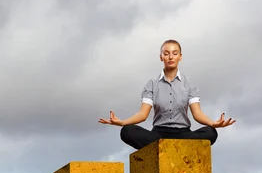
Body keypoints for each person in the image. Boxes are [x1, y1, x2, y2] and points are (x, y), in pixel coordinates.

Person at [99, 39, 236, 150]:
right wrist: (122, 122)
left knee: (210, 133)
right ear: (161, 57)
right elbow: (143, 114)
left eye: (175, 53)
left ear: (180, 57)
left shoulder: (190, 83)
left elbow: (197, 114)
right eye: (166, 53)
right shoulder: (151, 84)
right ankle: (170, 148)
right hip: (158, 134)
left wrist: (214, 123)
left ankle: (164, 149)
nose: (171, 57)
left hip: (184, 134)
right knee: (127, 131)